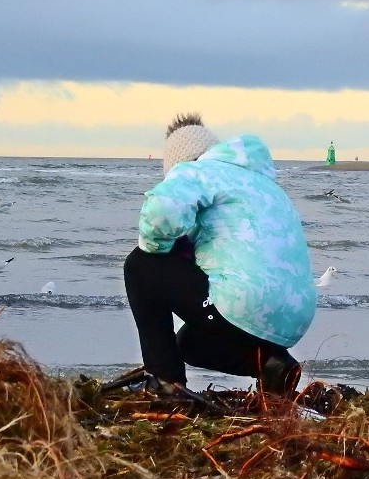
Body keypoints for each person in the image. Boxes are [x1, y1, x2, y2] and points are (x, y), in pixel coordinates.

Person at [124, 113, 317, 396]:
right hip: (295, 319)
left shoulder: (196, 171)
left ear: (179, 163)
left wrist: (158, 251)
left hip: (245, 304)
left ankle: (165, 383)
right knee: (189, 343)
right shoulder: (261, 185)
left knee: (140, 264)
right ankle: (272, 365)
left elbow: (161, 212)